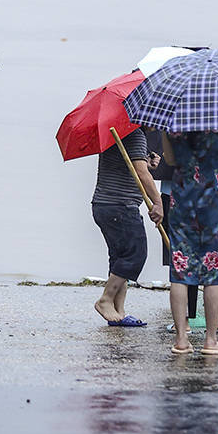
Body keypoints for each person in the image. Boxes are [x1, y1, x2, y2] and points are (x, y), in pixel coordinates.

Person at [165, 128, 218, 356]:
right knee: (214, 271)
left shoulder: (172, 115)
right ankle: (211, 340)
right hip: (216, 202)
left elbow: (170, 159)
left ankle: (181, 339)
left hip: (183, 199)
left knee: (180, 269)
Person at [147, 131, 218, 336]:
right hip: (215, 198)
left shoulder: (174, 120)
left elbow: (168, 159)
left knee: (182, 263)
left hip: (179, 194)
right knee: (217, 263)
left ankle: (183, 329)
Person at [91, 125, 164, 327]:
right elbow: (141, 175)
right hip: (120, 206)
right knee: (135, 255)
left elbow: (130, 165)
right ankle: (105, 300)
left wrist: (146, 162)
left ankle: (118, 311)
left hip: (103, 205)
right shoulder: (136, 135)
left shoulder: (116, 132)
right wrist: (158, 203)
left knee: (119, 259)